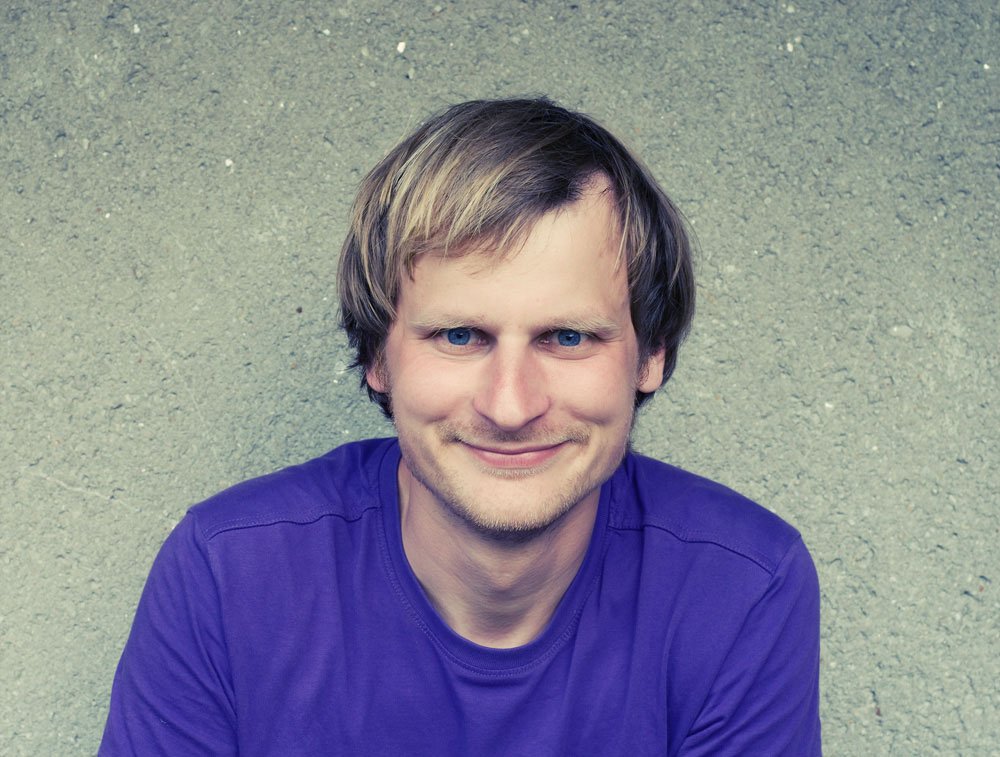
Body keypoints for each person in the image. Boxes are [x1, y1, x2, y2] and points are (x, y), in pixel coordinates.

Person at [101, 97, 821, 755]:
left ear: (651, 353)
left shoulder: (741, 588)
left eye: (568, 337)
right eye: (459, 336)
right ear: (378, 355)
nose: (510, 406)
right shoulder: (230, 575)